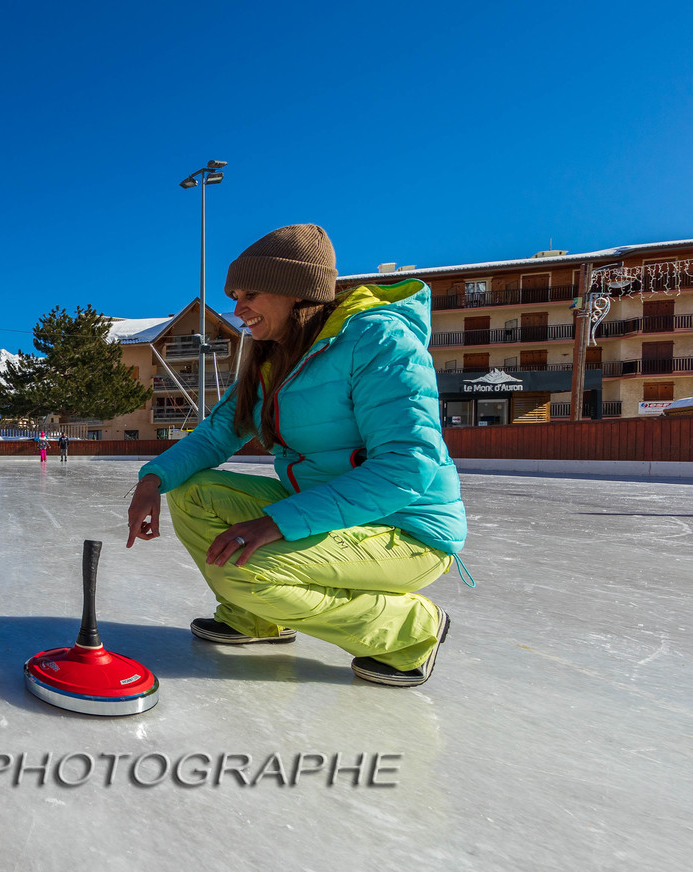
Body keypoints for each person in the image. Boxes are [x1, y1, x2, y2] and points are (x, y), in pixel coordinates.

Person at [125, 224, 467, 687]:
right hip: (328, 515)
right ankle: (256, 621)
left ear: (297, 292)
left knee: (245, 573)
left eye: (251, 292)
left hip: (406, 530)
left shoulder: (378, 340)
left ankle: (410, 631)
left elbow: (405, 466)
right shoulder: (274, 359)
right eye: (234, 294)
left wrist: (278, 522)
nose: (237, 307)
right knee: (192, 490)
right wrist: (153, 480)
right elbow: (217, 434)